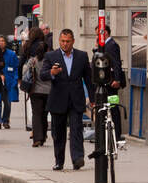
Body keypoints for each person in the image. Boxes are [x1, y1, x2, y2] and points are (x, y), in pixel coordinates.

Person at [45, 28, 93, 171]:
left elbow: (88, 79)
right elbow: (43, 75)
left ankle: (77, 158)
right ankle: (59, 161)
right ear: (59, 41)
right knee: (58, 133)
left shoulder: (81, 56)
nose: (65, 44)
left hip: (75, 100)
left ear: (73, 41)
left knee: (76, 130)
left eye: (68, 41)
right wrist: (51, 73)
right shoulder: (51, 56)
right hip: (58, 100)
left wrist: (93, 98)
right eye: (63, 41)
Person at [22, 26, 52, 147]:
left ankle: (37, 138)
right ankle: (43, 135)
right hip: (49, 91)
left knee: (36, 113)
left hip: (35, 90)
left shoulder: (32, 60)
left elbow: (25, 72)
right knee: (44, 114)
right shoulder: (50, 61)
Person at [96, 25, 126, 142]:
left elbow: (117, 63)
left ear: (106, 33)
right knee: (107, 107)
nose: (97, 37)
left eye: (98, 34)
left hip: (112, 82)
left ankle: (117, 134)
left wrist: (117, 80)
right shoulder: (105, 45)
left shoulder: (112, 45)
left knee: (113, 108)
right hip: (106, 82)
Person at [0, 34, 19, 130]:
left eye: (2, 41)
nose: (1, 43)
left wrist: (15, 79)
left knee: (8, 103)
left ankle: (5, 121)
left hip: (9, 82)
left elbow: (16, 68)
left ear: (5, 43)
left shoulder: (12, 54)